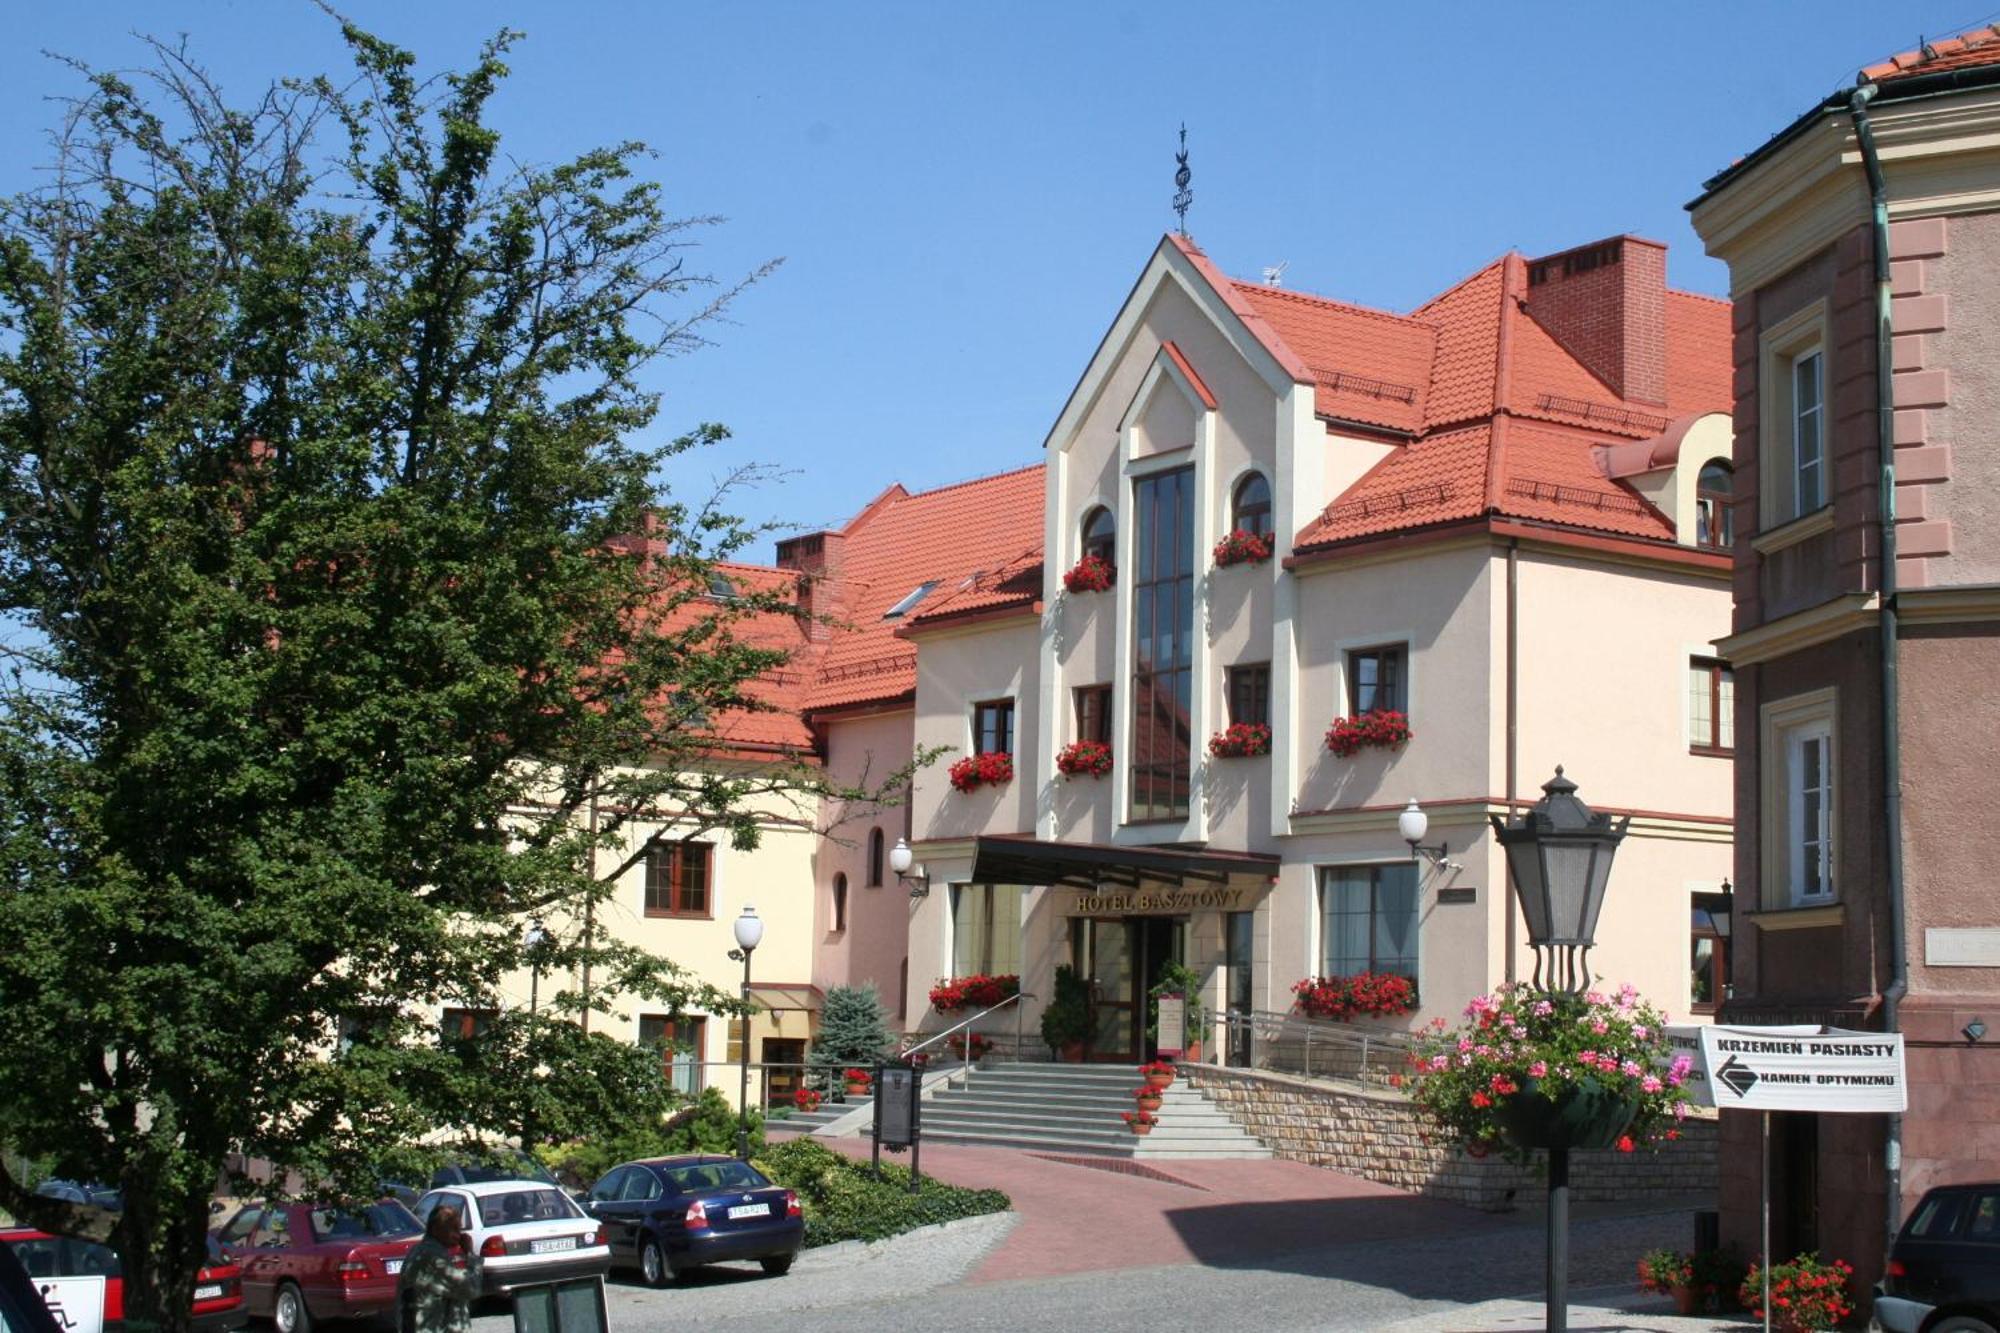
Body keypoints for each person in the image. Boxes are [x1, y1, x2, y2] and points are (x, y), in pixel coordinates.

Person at [398, 1205, 482, 1333]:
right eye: (453, 1229)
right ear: (436, 1229)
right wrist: (470, 1254)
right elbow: (471, 1288)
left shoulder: (421, 1251)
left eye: (459, 1228)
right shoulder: (433, 1257)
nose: (458, 1234)